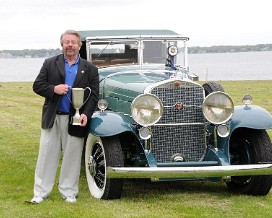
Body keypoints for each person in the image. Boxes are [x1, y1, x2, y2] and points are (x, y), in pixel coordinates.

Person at [30, 30, 99, 203]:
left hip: (75, 119)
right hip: (52, 118)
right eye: (66, 42)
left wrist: (85, 114)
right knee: (46, 156)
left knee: (72, 157)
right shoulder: (49, 63)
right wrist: (54, 89)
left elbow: (94, 96)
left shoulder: (90, 68)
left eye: (73, 42)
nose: (70, 45)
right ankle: (40, 193)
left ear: (79, 45)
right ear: (62, 44)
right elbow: (37, 85)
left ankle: (69, 193)